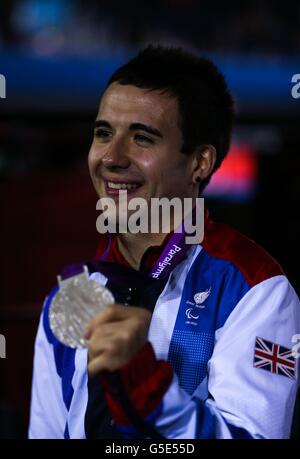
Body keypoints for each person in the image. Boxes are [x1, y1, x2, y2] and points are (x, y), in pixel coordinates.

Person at [29, 45, 300, 439]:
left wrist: (147, 390)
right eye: (103, 133)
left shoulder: (256, 288)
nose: (111, 157)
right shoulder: (70, 295)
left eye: (142, 138)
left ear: (200, 163)